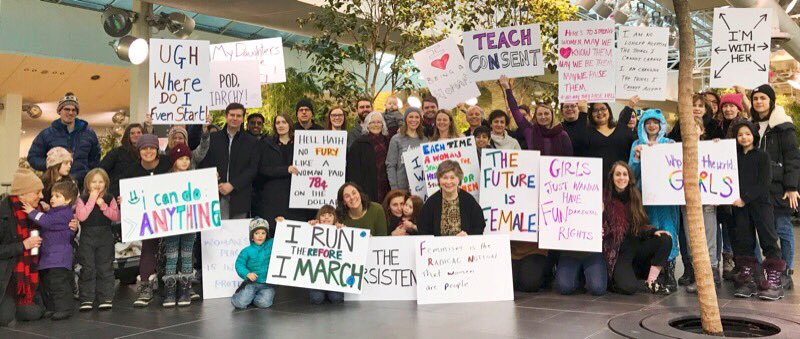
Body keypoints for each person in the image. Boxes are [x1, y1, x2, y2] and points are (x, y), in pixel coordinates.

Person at [750, 84, 800, 289]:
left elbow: (793, 158)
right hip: (755, 187)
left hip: (779, 187)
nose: (759, 101)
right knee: (756, 230)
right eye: (755, 98)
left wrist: (791, 186)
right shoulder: (751, 125)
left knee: (782, 229)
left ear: (771, 101)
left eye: (763, 98)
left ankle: (786, 270)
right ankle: (761, 270)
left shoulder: (784, 126)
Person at [730, 120, 786, 300]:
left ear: (754, 135)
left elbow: (764, 183)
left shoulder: (762, 156)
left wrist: (745, 198)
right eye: (740, 135)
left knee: (768, 239)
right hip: (740, 208)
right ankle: (748, 281)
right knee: (744, 241)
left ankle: (774, 281)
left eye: (747, 133)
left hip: (760, 205)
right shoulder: (733, 157)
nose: (744, 137)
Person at [628, 109, 680, 292]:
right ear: (643, 125)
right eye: (648, 122)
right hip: (646, 197)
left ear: (660, 125)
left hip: (666, 198)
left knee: (669, 230)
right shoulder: (637, 144)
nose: (652, 126)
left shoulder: (669, 143)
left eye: (655, 122)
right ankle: (654, 273)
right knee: (652, 231)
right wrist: (635, 157)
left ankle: (670, 273)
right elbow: (631, 174)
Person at [603, 162, 673, 295]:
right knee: (628, 288)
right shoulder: (605, 198)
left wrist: (653, 231)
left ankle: (651, 281)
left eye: (625, 174)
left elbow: (641, 223)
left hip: (636, 245)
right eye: (618, 174)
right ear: (612, 177)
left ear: (629, 178)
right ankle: (624, 278)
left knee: (665, 238)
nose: (622, 178)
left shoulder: (635, 196)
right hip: (619, 251)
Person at [122, 134, 171, 307]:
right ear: (139, 150)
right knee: (148, 248)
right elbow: (126, 193)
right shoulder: (132, 171)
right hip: (148, 219)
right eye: (144, 148)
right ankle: (145, 287)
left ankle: (169, 285)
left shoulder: (167, 163)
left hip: (170, 215)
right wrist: (123, 200)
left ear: (157, 149)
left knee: (170, 249)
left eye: (151, 147)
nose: (148, 151)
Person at [23, 180, 78, 320]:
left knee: (59, 284)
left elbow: (48, 221)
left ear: (68, 200)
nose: (52, 198)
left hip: (58, 258)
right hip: (50, 257)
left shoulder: (64, 214)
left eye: (58, 196)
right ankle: (53, 307)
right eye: (52, 195)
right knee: (48, 284)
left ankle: (64, 308)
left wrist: (32, 212)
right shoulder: (55, 212)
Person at [0, 168, 46, 325]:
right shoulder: (3, 213)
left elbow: (54, 238)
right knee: (4, 318)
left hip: (28, 277)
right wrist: (23, 245)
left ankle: (23, 303)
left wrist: (71, 229)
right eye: (37, 192)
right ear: (23, 194)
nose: (41, 196)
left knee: (32, 313)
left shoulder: (38, 212)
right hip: (6, 277)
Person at [27, 92, 100, 189]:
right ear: (59, 111)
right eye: (67, 109)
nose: (70, 113)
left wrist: (86, 172)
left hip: (81, 186)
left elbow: (95, 158)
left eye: (74, 110)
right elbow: (33, 157)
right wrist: (51, 165)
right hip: (54, 186)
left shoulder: (89, 134)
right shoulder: (46, 134)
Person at [200, 103, 260, 220]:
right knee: (216, 236)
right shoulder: (213, 138)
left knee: (237, 237)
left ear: (243, 119)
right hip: (215, 194)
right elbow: (205, 162)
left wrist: (232, 185)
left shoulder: (252, 142)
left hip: (240, 197)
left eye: (238, 116)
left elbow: (252, 170)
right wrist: (212, 177)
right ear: (226, 116)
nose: (235, 118)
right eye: (232, 115)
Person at [255, 113, 310, 235]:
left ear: (290, 124)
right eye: (278, 123)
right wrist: (286, 170)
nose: (281, 125)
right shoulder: (266, 144)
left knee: (296, 234)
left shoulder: (302, 145)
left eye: (284, 122)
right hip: (274, 198)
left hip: (297, 198)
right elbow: (262, 169)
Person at [159, 144, 198, 308]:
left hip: (189, 224)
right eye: (181, 159)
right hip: (171, 225)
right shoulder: (165, 178)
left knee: (187, 256)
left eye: (187, 159)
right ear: (174, 160)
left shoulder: (196, 178)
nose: (184, 162)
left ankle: (185, 290)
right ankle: (170, 291)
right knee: (172, 256)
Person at [75, 168, 119, 311]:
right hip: (87, 236)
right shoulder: (82, 199)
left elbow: (115, 216)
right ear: (88, 184)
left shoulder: (110, 198)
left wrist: (103, 206)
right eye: (94, 181)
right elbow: (81, 216)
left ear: (105, 184)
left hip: (105, 235)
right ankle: (87, 298)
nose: (97, 184)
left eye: (101, 181)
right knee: (88, 267)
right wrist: (92, 200)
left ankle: (105, 297)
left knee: (105, 267)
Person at [716, 92, 748, 281]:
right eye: (725, 106)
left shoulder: (743, 126)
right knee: (726, 221)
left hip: (738, 181)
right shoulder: (717, 126)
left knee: (737, 224)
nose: (728, 109)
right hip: (721, 179)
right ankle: (729, 259)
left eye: (732, 106)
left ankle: (740, 262)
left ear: (738, 108)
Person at [500, 76, 572, 155]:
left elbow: (569, 159)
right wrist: (507, 88)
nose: (543, 117)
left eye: (546, 113)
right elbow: (515, 111)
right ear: (535, 117)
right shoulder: (530, 131)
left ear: (552, 115)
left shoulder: (562, 135)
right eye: (540, 114)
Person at [417, 161, 485, 236]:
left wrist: (468, 237)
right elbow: (423, 229)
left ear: (459, 179)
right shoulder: (431, 203)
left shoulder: (469, 201)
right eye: (445, 177)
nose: (448, 182)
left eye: (452, 177)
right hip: (438, 247)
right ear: (439, 180)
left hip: (465, 246)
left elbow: (479, 226)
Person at [586, 99, 637, 180]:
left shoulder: (622, 130)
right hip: (596, 183)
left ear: (609, 110)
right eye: (595, 110)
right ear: (591, 114)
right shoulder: (586, 133)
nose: (599, 112)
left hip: (621, 182)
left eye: (603, 108)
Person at [347, 111, 391, 203]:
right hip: (367, 189)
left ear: (383, 125)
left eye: (379, 122)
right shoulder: (359, 143)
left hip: (386, 186)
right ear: (367, 125)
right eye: (372, 122)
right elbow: (353, 171)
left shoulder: (388, 141)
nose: (376, 125)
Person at [231, 218, 275, 309]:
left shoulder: (270, 245)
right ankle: (240, 295)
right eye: (256, 233)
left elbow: (282, 237)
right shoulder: (247, 251)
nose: (260, 236)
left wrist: (281, 223)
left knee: (264, 303)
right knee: (240, 303)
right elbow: (239, 264)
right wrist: (247, 273)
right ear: (252, 236)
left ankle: (252, 298)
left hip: (267, 285)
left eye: (263, 233)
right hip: (251, 283)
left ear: (267, 235)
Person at [307, 205, 347, 304]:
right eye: (323, 215)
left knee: (336, 298)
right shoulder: (313, 228)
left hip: (334, 276)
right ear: (318, 218)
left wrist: (345, 230)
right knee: (316, 299)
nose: (326, 217)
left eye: (330, 215)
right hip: (317, 276)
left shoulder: (340, 230)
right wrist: (308, 226)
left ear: (335, 218)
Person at [386, 107, 428, 191]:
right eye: (411, 117)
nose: (414, 120)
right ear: (405, 119)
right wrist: (394, 188)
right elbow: (391, 166)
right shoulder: (396, 139)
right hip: (401, 188)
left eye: (417, 117)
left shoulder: (425, 140)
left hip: (420, 189)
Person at [100, 123, 143, 197]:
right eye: (132, 133)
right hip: (117, 193)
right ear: (127, 136)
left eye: (139, 132)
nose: (136, 135)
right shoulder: (116, 152)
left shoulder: (147, 154)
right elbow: (101, 169)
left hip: (140, 193)